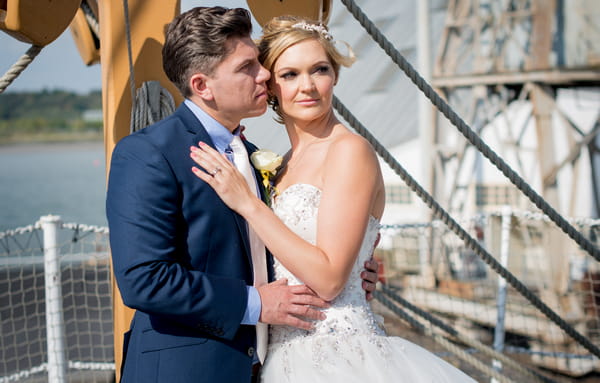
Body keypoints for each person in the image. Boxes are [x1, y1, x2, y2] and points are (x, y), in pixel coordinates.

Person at [190, 15, 477, 382]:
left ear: (335, 77)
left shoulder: (349, 151)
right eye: (290, 74)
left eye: (320, 70)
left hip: (336, 356)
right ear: (270, 85)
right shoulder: (280, 164)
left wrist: (248, 203)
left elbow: (328, 279)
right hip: (278, 354)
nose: (307, 86)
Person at [106, 7, 379, 383]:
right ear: (203, 86)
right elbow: (144, 279)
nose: (264, 74)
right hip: (185, 371)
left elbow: (281, 245)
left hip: (270, 365)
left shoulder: (256, 158)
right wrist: (256, 303)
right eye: (247, 67)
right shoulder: (149, 152)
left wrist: (360, 260)